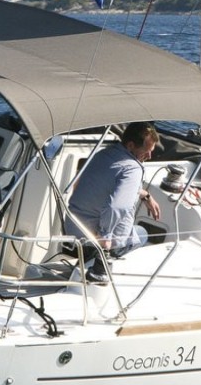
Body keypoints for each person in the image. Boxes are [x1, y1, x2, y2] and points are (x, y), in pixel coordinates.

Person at [65, 121, 161, 284]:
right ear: (131, 145)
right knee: (143, 234)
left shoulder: (104, 154)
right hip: (97, 240)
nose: (150, 156)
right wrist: (105, 236)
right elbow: (118, 206)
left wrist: (145, 195)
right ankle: (103, 264)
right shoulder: (133, 168)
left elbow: (98, 185)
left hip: (73, 228)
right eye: (147, 151)